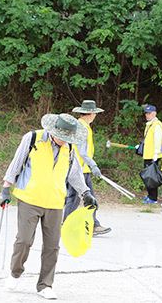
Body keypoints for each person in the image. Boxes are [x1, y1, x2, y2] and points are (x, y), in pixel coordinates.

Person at [0, 113, 97, 300]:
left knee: (52, 246)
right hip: (29, 198)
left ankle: (45, 285)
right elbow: (16, 163)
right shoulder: (33, 138)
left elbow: (75, 174)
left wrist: (85, 193)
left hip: (55, 202)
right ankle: (15, 273)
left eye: (69, 138)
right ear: (54, 131)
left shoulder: (68, 149)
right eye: (64, 137)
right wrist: (5, 188)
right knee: (24, 240)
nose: (66, 141)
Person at [64, 100, 111, 235]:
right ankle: (90, 225)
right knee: (80, 198)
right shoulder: (81, 128)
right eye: (94, 113)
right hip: (79, 169)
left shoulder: (83, 126)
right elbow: (82, 151)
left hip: (81, 169)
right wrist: (93, 165)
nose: (95, 116)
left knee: (77, 198)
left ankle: (91, 225)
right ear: (90, 114)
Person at [139, 104, 162, 204]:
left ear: (154, 113)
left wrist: (156, 154)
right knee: (148, 177)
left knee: (151, 177)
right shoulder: (150, 124)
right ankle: (150, 195)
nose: (147, 115)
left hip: (153, 156)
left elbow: (158, 140)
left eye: (149, 113)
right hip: (148, 155)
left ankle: (153, 198)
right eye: (146, 113)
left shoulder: (157, 125)